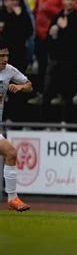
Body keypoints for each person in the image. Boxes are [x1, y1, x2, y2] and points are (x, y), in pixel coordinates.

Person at [0, 37, 33, 211]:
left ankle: (12, 198)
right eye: (1, 56)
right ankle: (12, 198)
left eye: (6, 55)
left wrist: (20, 88)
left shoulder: (9, 71)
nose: (5, 59)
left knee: (11, 153)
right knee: (11, 152)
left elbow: (29, 85)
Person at [42, 0, 77, 111]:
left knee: (68, 92)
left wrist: (65, 29)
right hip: (54, 58)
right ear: (63, 1)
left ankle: (66, 121)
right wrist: (53, 35)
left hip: (69, 61)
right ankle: (45, 122)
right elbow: (49, 37)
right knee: (48, 90)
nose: (70, 2)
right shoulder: (57, 16)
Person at [28, 0, 66, 105]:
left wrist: (49, 9)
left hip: (54, 33)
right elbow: (37, 8)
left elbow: (63, 11)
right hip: (40, 32)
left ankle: (54, 92)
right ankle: (41, 92)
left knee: (54, 65)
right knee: (41, 64)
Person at [0, 0, 33, 73]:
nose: (9, 3)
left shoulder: (22, 14)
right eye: (6, 0)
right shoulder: (2, 13)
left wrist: (19, 17)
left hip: (18, 50)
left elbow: (29, 31)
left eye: (12, 0)